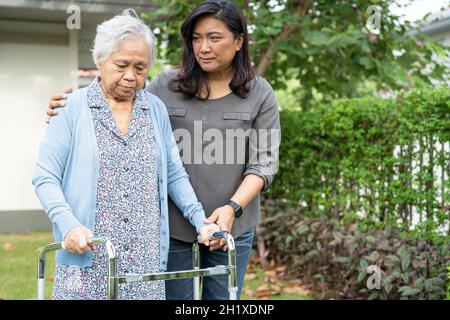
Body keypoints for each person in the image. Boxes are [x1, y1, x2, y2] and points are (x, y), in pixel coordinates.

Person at [47, 0, 280, 300]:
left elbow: (263, 163)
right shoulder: (167, 85)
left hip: (230, 225)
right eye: (196, 38)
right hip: (173, 227)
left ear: (238, 41)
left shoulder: (259, 93)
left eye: (214, 37)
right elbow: (120, 98)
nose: (204, 47)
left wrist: (231, 208)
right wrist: (64, 109)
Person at [33, 9, 219, 300]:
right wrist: (69, 227)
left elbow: (173, 172)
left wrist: (200, 220)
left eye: (140, 68)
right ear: (100, 59)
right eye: (121, 65)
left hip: (143, 261)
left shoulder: (155, 109)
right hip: (88, 255)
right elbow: (45, 177)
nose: (131, 76)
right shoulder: (71, 108)